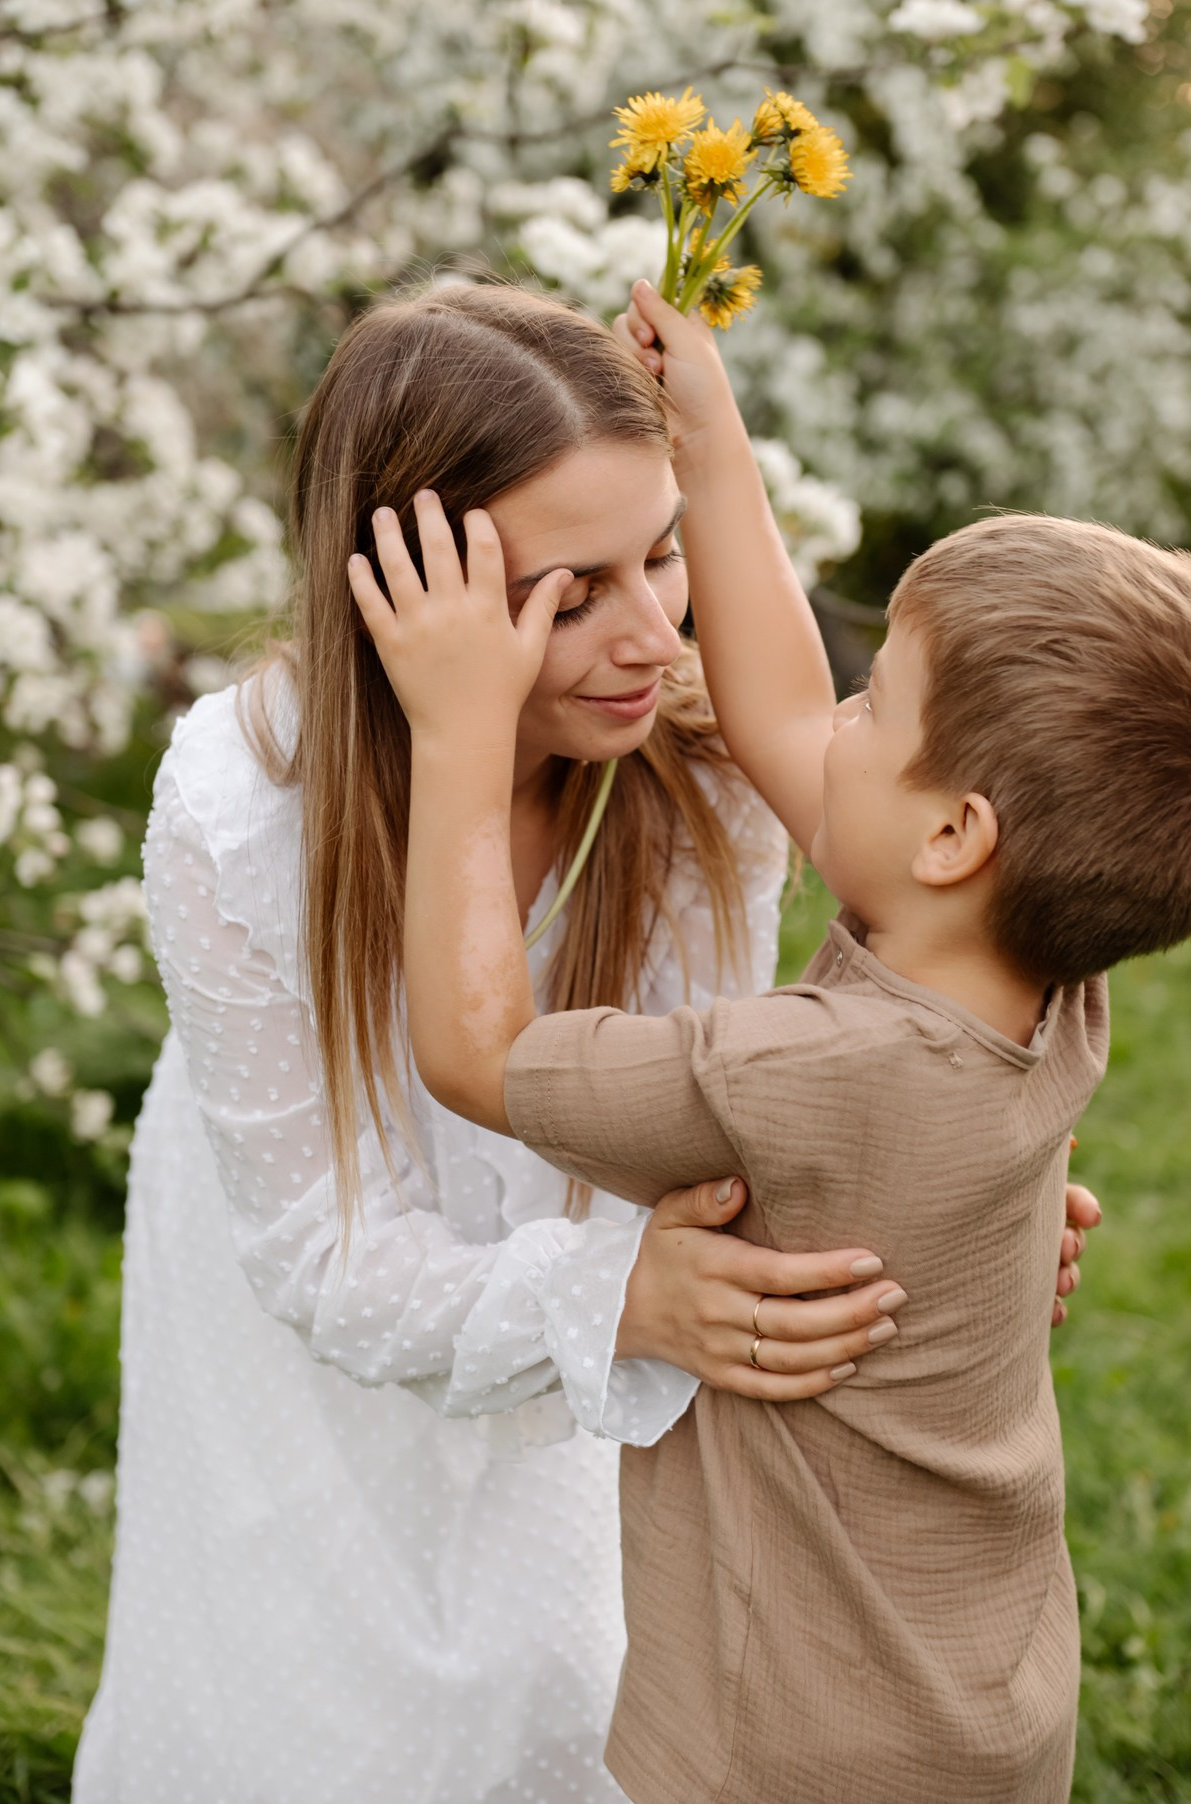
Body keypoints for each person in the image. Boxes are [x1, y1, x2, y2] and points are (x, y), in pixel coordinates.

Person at [74, 283, 946, 1804]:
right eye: (571, 591)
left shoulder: (694, 773)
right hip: (310, 1301)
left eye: (661, 557)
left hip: (600, 1308)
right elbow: (325, 1261)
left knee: (570, 1681)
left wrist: (950, 1189)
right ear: (405, 589)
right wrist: (623, 1296)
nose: (651, 635)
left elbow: (769, 1076)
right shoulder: (238, 805)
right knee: (306, 1712)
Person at [351, 283, 1187, 1803]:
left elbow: (478, 1052)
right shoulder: (1051, 985)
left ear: (953, 835)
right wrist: (709, 445)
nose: (827, 720)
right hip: (982, 1685)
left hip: (792, 1723)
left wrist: (461, 731)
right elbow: (791, 716)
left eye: (882, 705)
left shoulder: (808, 1071)